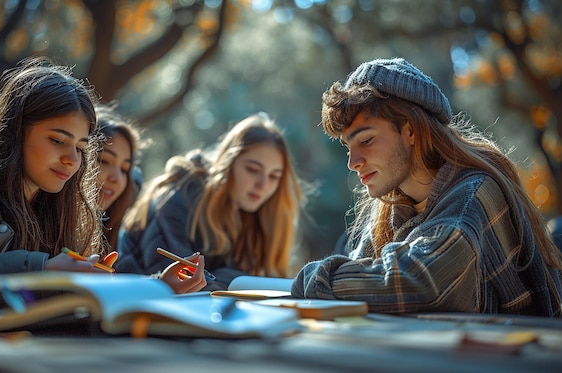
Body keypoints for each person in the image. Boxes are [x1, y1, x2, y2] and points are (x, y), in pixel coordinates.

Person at [292, 57, 562, 317]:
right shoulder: (391, 206)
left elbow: (423, 281)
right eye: (348, 147)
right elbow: (361, 272)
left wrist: (317, 278)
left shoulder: (475, 194)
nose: (353, 162)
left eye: (366, 140)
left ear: (410, 131)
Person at [0, 57, 205, 309]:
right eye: (57, 141)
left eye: (80, 148)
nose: (71, 160)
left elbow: (46, 302)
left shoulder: (57, 204)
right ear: (14, 130)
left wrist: (157, 286)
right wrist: (43, 271)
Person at [116, 112, 305, 289]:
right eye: (252, 170)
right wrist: (235, 279)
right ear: (228, 164)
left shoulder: (253, 217)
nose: (263, 185)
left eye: (274, 176)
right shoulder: (179, 198)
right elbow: (182, 283)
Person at [95, 102, 147, 252]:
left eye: (125, 169)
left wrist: (162, 277)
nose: (116, 178)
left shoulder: (118, 237)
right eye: (104, 161)